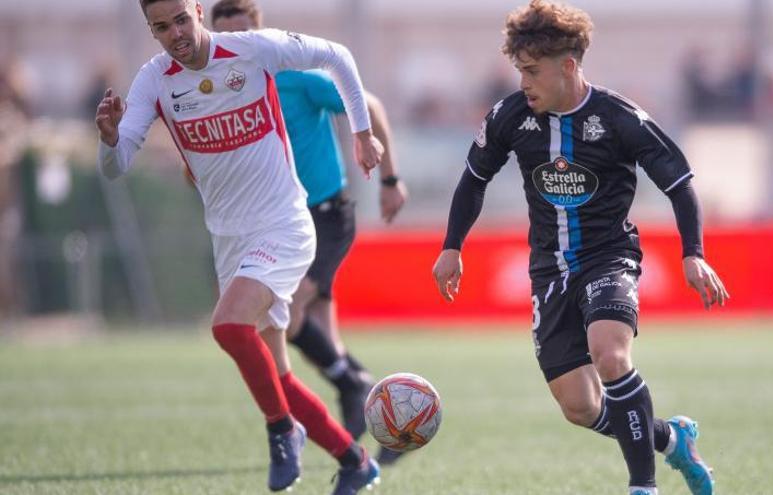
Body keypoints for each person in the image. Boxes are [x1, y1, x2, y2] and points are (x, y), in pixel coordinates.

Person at [431, 2, 729, 495]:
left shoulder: (619, 119)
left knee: (610, 355)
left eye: (531, 71)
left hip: (609, 257)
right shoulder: (510, 116)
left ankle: (643, 487)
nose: (523, 81)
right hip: (549, 271)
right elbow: (473, 179)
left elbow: (679, 182)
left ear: (567, 66)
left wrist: (693, 252)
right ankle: (672, 439)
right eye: (519, 70)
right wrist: (451, 246)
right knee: (582, 408)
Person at [95, 1, 383, 492]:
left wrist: (362, 133)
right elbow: (117, 165)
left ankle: (280, 429)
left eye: (181, 20)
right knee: (279, 380)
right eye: (161, 27)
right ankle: (356, 462)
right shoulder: (154, 79)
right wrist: (107, 138)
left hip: (284, 226)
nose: (175, 35)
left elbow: (338, 55)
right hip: (229, 240)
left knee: (228, 325)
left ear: (198, 12)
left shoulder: (252, 51)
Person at [209, 0, 409, 466]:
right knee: (318, 334)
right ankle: (378, 423)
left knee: (288, 309)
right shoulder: (221, 89)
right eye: (225, 41)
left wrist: (390, 179)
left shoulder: (293, 77)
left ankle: (351, 385)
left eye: (243, 37)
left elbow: (370, 103)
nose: (235, 49)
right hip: (273, 219)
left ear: (260, 34)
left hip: (323, 214)